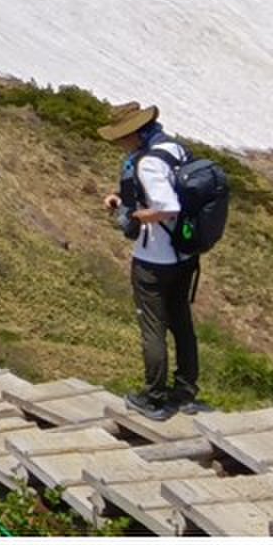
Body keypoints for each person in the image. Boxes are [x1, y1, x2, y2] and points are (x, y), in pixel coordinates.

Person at [100, 101, 202, 420]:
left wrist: (142, 215)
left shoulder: (146, 162)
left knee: (153, 327)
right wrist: (123, 197)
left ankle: (154, 398)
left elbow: (167, 205)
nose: (119, 145)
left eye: (120, 138)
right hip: (186, 253)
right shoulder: (174, 149)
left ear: (132, 133)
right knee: (181, 322)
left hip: (154, 258)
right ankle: (185, 391)